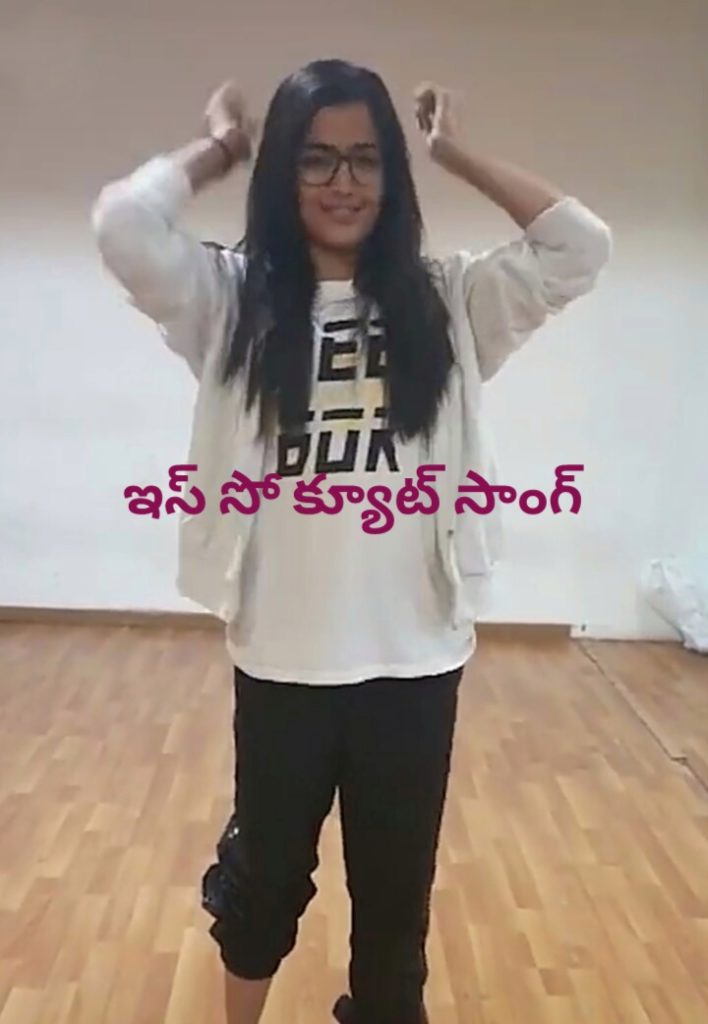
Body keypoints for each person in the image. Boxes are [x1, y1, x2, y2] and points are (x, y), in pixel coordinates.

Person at [92, 58, 611, 1024]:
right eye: (317, 158)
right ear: (283, 173)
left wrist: (456, 152)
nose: (343, 182)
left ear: (392, 176)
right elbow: (122, 224)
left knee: (394, 916)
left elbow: (580, 245)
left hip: (415, 662)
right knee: (263, 885)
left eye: (366, 160)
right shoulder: (230, 301)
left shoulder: (451, 304)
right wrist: (219, 147)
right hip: (285, 661)